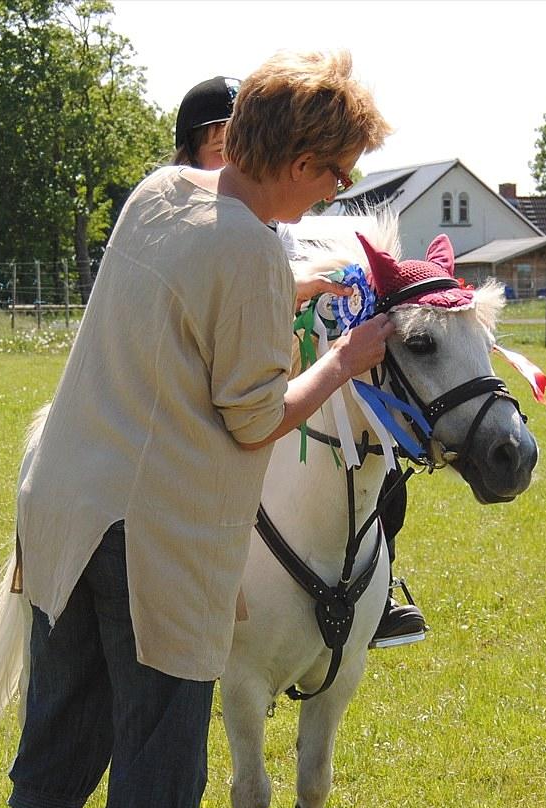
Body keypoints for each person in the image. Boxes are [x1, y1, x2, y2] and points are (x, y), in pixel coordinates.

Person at [0, 49, 393, 808]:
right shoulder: (252, 257)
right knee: (158, 765)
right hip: (154, 544)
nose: (335, 191)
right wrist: (344, 359)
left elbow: (196, 301)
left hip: (64, 511)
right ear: (300, 159)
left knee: (56, 736)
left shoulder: (161, 192)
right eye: (336, 171)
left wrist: (287, 287)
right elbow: (255, 417)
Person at [174, 75, 427, 649]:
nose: (223, 156)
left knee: (377, 468)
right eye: (213, 146)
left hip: (285, 371)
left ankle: (375, 594)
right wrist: (336, 354)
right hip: (242, 390)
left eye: (228, 141)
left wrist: (311, 290)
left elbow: (265, 288)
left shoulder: (274, 228)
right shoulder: (218, 225)